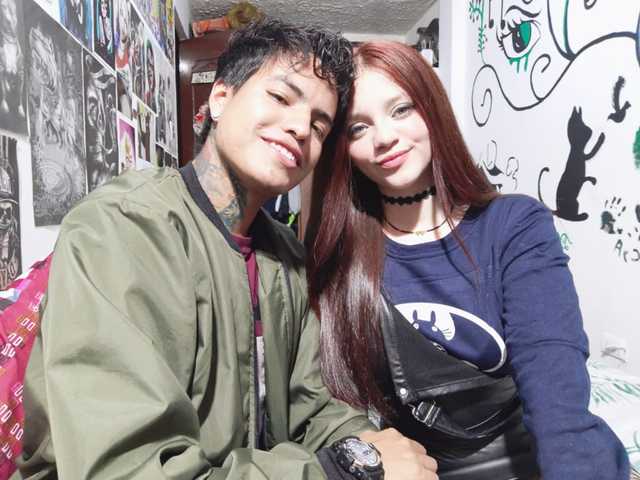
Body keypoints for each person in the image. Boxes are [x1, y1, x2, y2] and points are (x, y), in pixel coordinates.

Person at [16, 23, 438, 480]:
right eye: (281, 97)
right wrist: (344, 469)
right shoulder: (123, 228)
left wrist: (369, 444)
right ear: (220, 98)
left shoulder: (285, 256)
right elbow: (127, 470)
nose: (300, 128)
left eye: (320, 125)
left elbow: (310, 407)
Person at [305, 41, 630, 480]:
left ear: (432, 108)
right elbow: (329, 407)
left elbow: (556, 393)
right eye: (359, 128)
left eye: (401, 109)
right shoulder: (341, 256)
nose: (384, 137)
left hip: (528, 457)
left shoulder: (514, 225)